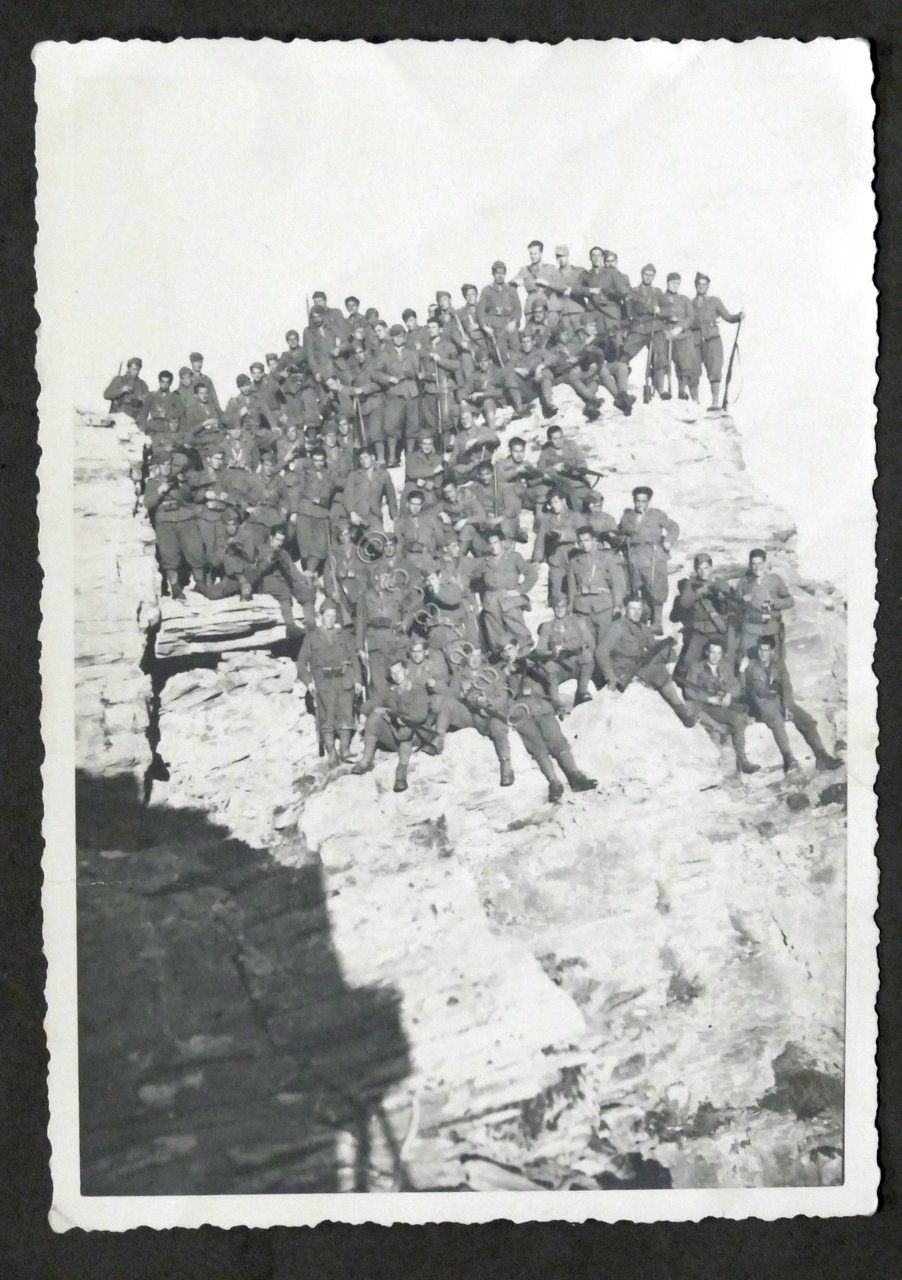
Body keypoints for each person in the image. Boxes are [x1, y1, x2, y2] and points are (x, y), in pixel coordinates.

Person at [499, 640, 597, 801]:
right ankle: (554, 782)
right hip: (521, 713)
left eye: (510, 648)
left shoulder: (530, 663)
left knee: (557, 741)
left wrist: (533, 667)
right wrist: (506, 672)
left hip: (541, 707)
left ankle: (575, 776)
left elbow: (550, 677)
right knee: (538, 748)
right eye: (504, 651)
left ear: (517, 647)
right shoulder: (501, 669)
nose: (507, 653)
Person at [744, 634, 842, 773]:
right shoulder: (751, 666)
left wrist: (787, 706)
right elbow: (745, 690)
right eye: (760, 650)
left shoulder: (778, 665)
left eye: (766, 650)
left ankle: (822, 756)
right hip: (761, 704)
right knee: (776, 721)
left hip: (778, 700)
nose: (762, 654)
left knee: (807, 720)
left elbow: (786, 687)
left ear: (772, 651)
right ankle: (788, 758)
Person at [597, 597, 696, 726]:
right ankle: (679, 708)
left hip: (639, 664)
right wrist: (610, 677)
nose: (636, 612)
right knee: (658, 671)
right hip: (623, 667)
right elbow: (601, 652)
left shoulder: (642, 627)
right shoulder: (618, 627)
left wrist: (670, 640)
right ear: (625, 610)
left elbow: (653, 646)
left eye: (639, 609)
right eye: (632, 609)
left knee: (662, 665)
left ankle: (680, 706)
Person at [432, 645, 515, 786]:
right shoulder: (461, 674)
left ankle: (506, 765)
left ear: (482, 657)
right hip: (471, 715)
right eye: (471, 657)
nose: (475, 660)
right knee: (448, 704)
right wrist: (463, 696)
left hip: (490, 716)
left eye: (477, 656)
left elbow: (503, 695)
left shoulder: (492, 672)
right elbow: (451, 694)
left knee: (498, 729)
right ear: (467, 659)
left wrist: (489, 703)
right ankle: (438, 738)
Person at [296, 599, 364, 765]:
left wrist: (357, 680)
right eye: (328, 615)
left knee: (346, 714)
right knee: (327, 718)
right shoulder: (311, 638)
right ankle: (331, 753)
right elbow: (301, 663)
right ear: (321, 616)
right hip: (324, 682)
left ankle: (345, 750)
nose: (331, 619)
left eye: (334, 616)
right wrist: (309, 682)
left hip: (344, 679)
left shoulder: (344, 636)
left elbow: (354, 659)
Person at [352, 657, 431, 792]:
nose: (396, 676)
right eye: (393, 673)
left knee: (406, 730)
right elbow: (366, 707)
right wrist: (375, 709)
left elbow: (422, 714)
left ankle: (401, 773)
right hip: (396, 735)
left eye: (399, 672)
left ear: (406, 671)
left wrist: (405, 718)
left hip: (415, 734)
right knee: (374, 718)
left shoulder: (417, 689)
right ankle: (367, 759)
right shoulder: (390, 691)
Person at [682, 638, 759, 775]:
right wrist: (708, 699)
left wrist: (729, 694)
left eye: (718, 653)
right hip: (704, 706)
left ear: (722, 654)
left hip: (720, 707)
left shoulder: (725, 667)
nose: (715, 656)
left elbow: (736, 686)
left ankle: (743, 762)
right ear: (707, 652)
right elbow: (688, 690)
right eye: (712, 652)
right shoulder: (696, 667)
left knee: (738, 719)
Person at [143, 449, 206, 599]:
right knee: (169, 554)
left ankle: (200, 583)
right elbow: (147, 503)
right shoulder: (153, 483)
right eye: (163, 465)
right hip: (165, 521)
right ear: (157, 466)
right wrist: (160, 491)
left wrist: (182, 484)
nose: (166, 467)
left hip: (185, 518)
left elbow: (189, 498)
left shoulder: (179, 480)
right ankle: (175, 586)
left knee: (195, 550)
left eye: (169, 464)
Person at [618, 486, 679, 633]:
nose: (640, 504)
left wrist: (668, 541)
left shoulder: (656, 515)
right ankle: (643, 620)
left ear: (648, 501)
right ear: (634, 500)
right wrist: (623, 540)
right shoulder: (627, 516)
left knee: (656, 588)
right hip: (634, 557)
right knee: (637, 589)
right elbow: (620, 532)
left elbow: (673, 527)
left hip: (653, 557)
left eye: (643, 501)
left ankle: (657, 622)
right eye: (637, 501)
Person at [674, 553, 738, 678]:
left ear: (711, 567)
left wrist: (722, 600)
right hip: (700, 631)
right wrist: (700, 592)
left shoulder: (720, 583)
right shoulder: (691, 584)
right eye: (699, 568)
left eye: (706, 568)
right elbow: (684, 602)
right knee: (688, 664)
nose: (703, 572)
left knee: (725, 664)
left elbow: (731, 608)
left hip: (718, 629)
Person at [356, 566, 415, 694]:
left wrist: (404, 624)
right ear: (376, 578)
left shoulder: (397, 593)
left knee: (400, 681)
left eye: (389, 576)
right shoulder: (365, 596)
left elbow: (409, 612)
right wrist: (360, 647)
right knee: (379, 685)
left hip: (395, 644)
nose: (387, 579)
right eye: (384, 576)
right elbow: (360, 621)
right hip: (375, 646)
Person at [691, 273, 744, 411]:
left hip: (713, 339)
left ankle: (715, 402)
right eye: (699, 284)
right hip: (695, 340)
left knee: (715, 369)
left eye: (704, 284)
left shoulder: (715, 301)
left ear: (707, 286)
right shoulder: (690, 303)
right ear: (695, 285)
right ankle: (695, 402)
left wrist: (738, 317)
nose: (701, 287)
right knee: (693, 370)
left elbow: (728, 317)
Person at [567, 525, 627, 647]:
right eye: (580, 541)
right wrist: (570, 608)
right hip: (582, 609)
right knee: (588, 646)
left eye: (587, 540)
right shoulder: (574, 562)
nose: (584, 544)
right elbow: (571, 588)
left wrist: (618, 605)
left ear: (594, 540)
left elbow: (616, 584)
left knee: (604, 645)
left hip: (603, 607)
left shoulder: (607, 559)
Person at [479, 530, 538, 651]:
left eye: (495, 542)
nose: (493, 546)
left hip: (510, 601)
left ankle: (522, 659)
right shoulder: (484, 561)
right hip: (491, 604)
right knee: (496, 640)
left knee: (521, 635)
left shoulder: (514, 557)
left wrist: (519, 590)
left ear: (501, 543)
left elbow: (532, 573)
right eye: (490, 543)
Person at [372, 324, 421, 466]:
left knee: (413, 426)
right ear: (391, 338)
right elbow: (374, 373)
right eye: (395, 336)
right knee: (392, 427)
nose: (399, 339)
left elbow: (418, 371)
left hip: (411, 392)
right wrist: (389, 379)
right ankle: (392, 457)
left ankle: (410, 457)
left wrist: (410, 373)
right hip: (395, 393)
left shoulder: (412, 353)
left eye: (401, 335)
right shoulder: (385, 354)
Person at [534, 597, 596, 706]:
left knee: (587, 656)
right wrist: (551, 653)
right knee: (549, 666)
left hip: (576, 662)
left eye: (562, 606)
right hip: (559, 665)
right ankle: (556, 702)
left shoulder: (578, 622)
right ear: (553, 608)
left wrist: (574, 648)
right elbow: (539, 649)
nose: (559, 610)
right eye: (556, 607)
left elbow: (590, 643)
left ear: (567, 607)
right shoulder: (547, 626)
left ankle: (582, 691)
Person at [737, 547, 794, 660]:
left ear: (765, 563)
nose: (757, 567)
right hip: (751, 631)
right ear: (749, 564)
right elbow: (735, 605)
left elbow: (790, 601)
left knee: (775, 664)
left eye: (760, 563)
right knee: (750, 663)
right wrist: (743, 601)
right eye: (753, 564)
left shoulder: (775, 580)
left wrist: (774, 603)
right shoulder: (744, 582)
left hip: (771, 629)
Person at [289, 446, 337, 572]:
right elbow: (296, 492)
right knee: (305, 547)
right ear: (311, 460)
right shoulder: (305, 474)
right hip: (305, 512)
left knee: (321, 546)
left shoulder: (329, 476)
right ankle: (308, 572)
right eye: (316, 460)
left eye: (321, 460)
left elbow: (330, 492)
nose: (319, 463)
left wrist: (322, 501)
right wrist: (294, 511)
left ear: (325, 460)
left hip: (321, 514)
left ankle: (309, 572)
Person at [531, 487, 582, 603]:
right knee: (556, 595)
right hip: (556, 560)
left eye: (556, 502)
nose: (553, 505)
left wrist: (563, 535)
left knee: (574, 593)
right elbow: (540, 540)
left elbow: (584, 535)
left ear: (563, 501)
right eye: (551, 503)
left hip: (573, 559)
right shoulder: (546, 518)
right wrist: (537, 559)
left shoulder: (575, 516)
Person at [658, 273, 701, 401]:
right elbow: (656, 313)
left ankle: (682, 391)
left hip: (682, 333)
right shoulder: (660, 298)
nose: (675, 286)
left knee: (685, 362)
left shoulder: (684, 299)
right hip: (665, 333)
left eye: (677, 283)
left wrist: (680, 327)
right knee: (660, 360)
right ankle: (661, 390)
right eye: (672, 283)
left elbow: (691, 316)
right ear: (667, 283)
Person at [476, 260, 522, 364]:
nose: (500, 276)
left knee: (516, 349)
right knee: (499, 353)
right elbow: (480, 311)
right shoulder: (487, 291)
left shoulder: (511, 291)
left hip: (509, 325)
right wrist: (484, 326)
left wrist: (514, 321)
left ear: (505, 274)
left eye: (502, 273)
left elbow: (518, 309)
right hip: (494, 327)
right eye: (497, 273)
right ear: (493, 274)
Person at [393, 489, 445, 579]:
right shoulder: (400, 523)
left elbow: (441, 540)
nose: (415, 508)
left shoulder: (430, 519)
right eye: (413, 504)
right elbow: (399, 545)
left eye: (418, 505)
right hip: (412, 562)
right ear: (407, 504)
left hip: (430, 559)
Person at [345, 445, 398, 531]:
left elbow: (391, 497)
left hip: (374, 515)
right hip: (357, 515)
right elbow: (348, 495)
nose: (363, 461)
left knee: (378, 538)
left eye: (366, 457)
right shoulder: (354, 475)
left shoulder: (384, 475)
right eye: (361, 459)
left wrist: (394, 516)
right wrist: (352, 513)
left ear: (372, 457)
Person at [621, 263, 664, 363]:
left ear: (653, 276)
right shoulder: (632, 291)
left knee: (660, 359)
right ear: (642, 274)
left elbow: (666, 308)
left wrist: (659, 310)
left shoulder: (657, 292)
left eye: (651, 275)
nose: (648, 277)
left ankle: (656, 377)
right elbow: (627, 311)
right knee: (624, 355)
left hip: (654, 328)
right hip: (638, 328)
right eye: (646, 274)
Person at [138, 370, 187, 453]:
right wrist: (142, 432)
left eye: (167, 382)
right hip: (154, 430)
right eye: (162, 381)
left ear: (170, 383)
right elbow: (143, 415)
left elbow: (181, 415)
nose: (164, 384)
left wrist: (168, 414)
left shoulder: (175, 397)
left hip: (169, 431)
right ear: (159, 381)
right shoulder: (151, 396)